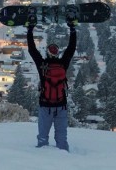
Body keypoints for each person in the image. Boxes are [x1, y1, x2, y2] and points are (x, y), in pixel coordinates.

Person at [26, 17, 77, 151]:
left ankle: (42, 161)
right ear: (58, 53)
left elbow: (32, 50)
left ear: (47, 53)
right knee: (61, 137)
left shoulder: (42, 65)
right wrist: (72, 28)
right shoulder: (63, 64)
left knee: (43, 136)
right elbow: (71, 49)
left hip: (45, 105)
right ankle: (64, 158)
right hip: (61, 106)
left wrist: (30, 29)